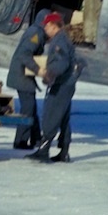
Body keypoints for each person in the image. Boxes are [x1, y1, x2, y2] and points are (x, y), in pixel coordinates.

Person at [31, 12, 80, 162]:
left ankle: (43, 150)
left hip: (60, 84)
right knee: (63, 117)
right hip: (67, 84)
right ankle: (64, 152)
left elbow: (61, 63)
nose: (45, 29)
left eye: (47, 26)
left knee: (51, 114)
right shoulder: (62, 39)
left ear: (53, 26)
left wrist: (50, 74)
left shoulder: (59, 41)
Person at [5, 10, 51, 149]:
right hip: (21, 75)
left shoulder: (38, 32)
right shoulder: (35, 34)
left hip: (24, 75)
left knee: (31, 107)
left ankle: (36, 139)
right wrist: (38, 70)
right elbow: (25, 54)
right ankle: (21, 141)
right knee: (28, 109)